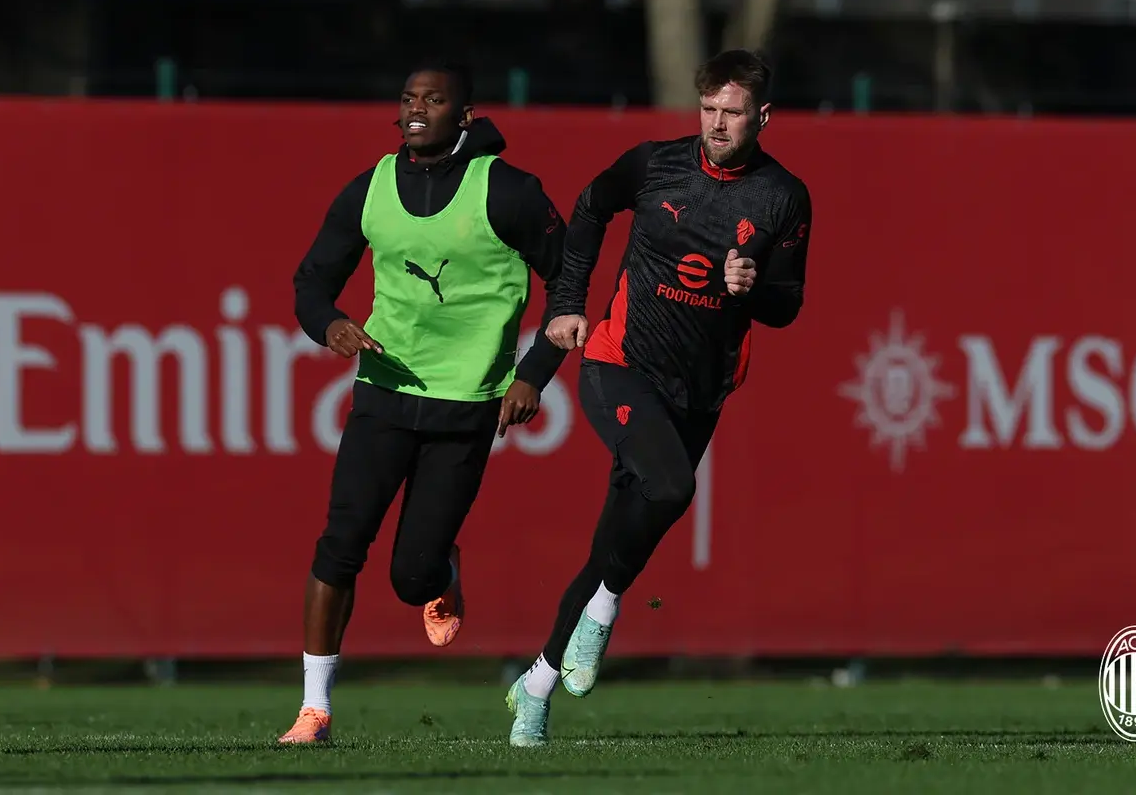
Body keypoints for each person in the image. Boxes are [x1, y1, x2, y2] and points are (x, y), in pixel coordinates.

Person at [505, 49, 813, 747]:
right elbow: (588, 208)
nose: (717, 124)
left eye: (733, 113)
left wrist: (752, 287)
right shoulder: (654, 164)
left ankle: (535, 688)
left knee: (616, 545)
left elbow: (788, 303)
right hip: (619, 362)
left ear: (762, 117)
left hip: (701, 389)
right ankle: (604, 617)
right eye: (709, 109)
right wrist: (570, 302)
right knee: (671, 488)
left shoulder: (783, 197)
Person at [278, 60, 568, 744]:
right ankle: (313, 710)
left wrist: (535, 373)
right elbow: (309, 282)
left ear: (463, 114)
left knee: (412, 578)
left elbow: (572, 281)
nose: (416, 108)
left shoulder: (509, 191)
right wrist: (332, 325)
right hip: (383, 393)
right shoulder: (370, 188)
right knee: (340, 544)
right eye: (408, 97)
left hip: (466, 407)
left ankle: (442, 569)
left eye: (433, 99)